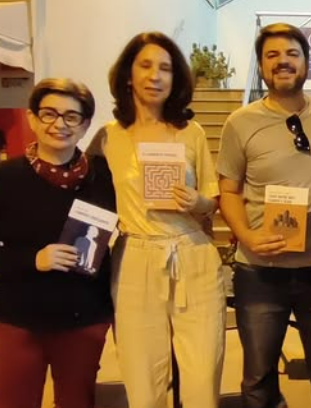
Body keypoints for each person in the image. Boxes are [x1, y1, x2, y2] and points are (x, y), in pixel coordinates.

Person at [87, 32, 225, 408]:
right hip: (135, 258)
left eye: (165, 68)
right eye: (145, 65)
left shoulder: (191, 132)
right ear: (128, 75)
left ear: (175, 78)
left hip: (193, 255)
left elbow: (212, 200)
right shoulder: (108, 138)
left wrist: (198, 201)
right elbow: (90, 201)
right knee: (143, 379)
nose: (155, 75)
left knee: (202, 378)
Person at [217, 23, 311, 408]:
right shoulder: (239, 123)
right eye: (272, 55)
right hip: (259, 271)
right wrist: (247, 235)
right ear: (261, 66)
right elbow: (228, 191)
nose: (283, 62)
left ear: (306, 62)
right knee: (258, 377)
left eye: (292, 53)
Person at [0, 78, 116, 408]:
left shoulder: (103, 178)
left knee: (77, 402)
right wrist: (33, 259)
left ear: (85, 125)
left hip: (84, 318)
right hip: (19, 318)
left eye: (71, 116)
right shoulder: (7, 178)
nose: (59, 124)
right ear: (32, 118)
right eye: (49, 114)